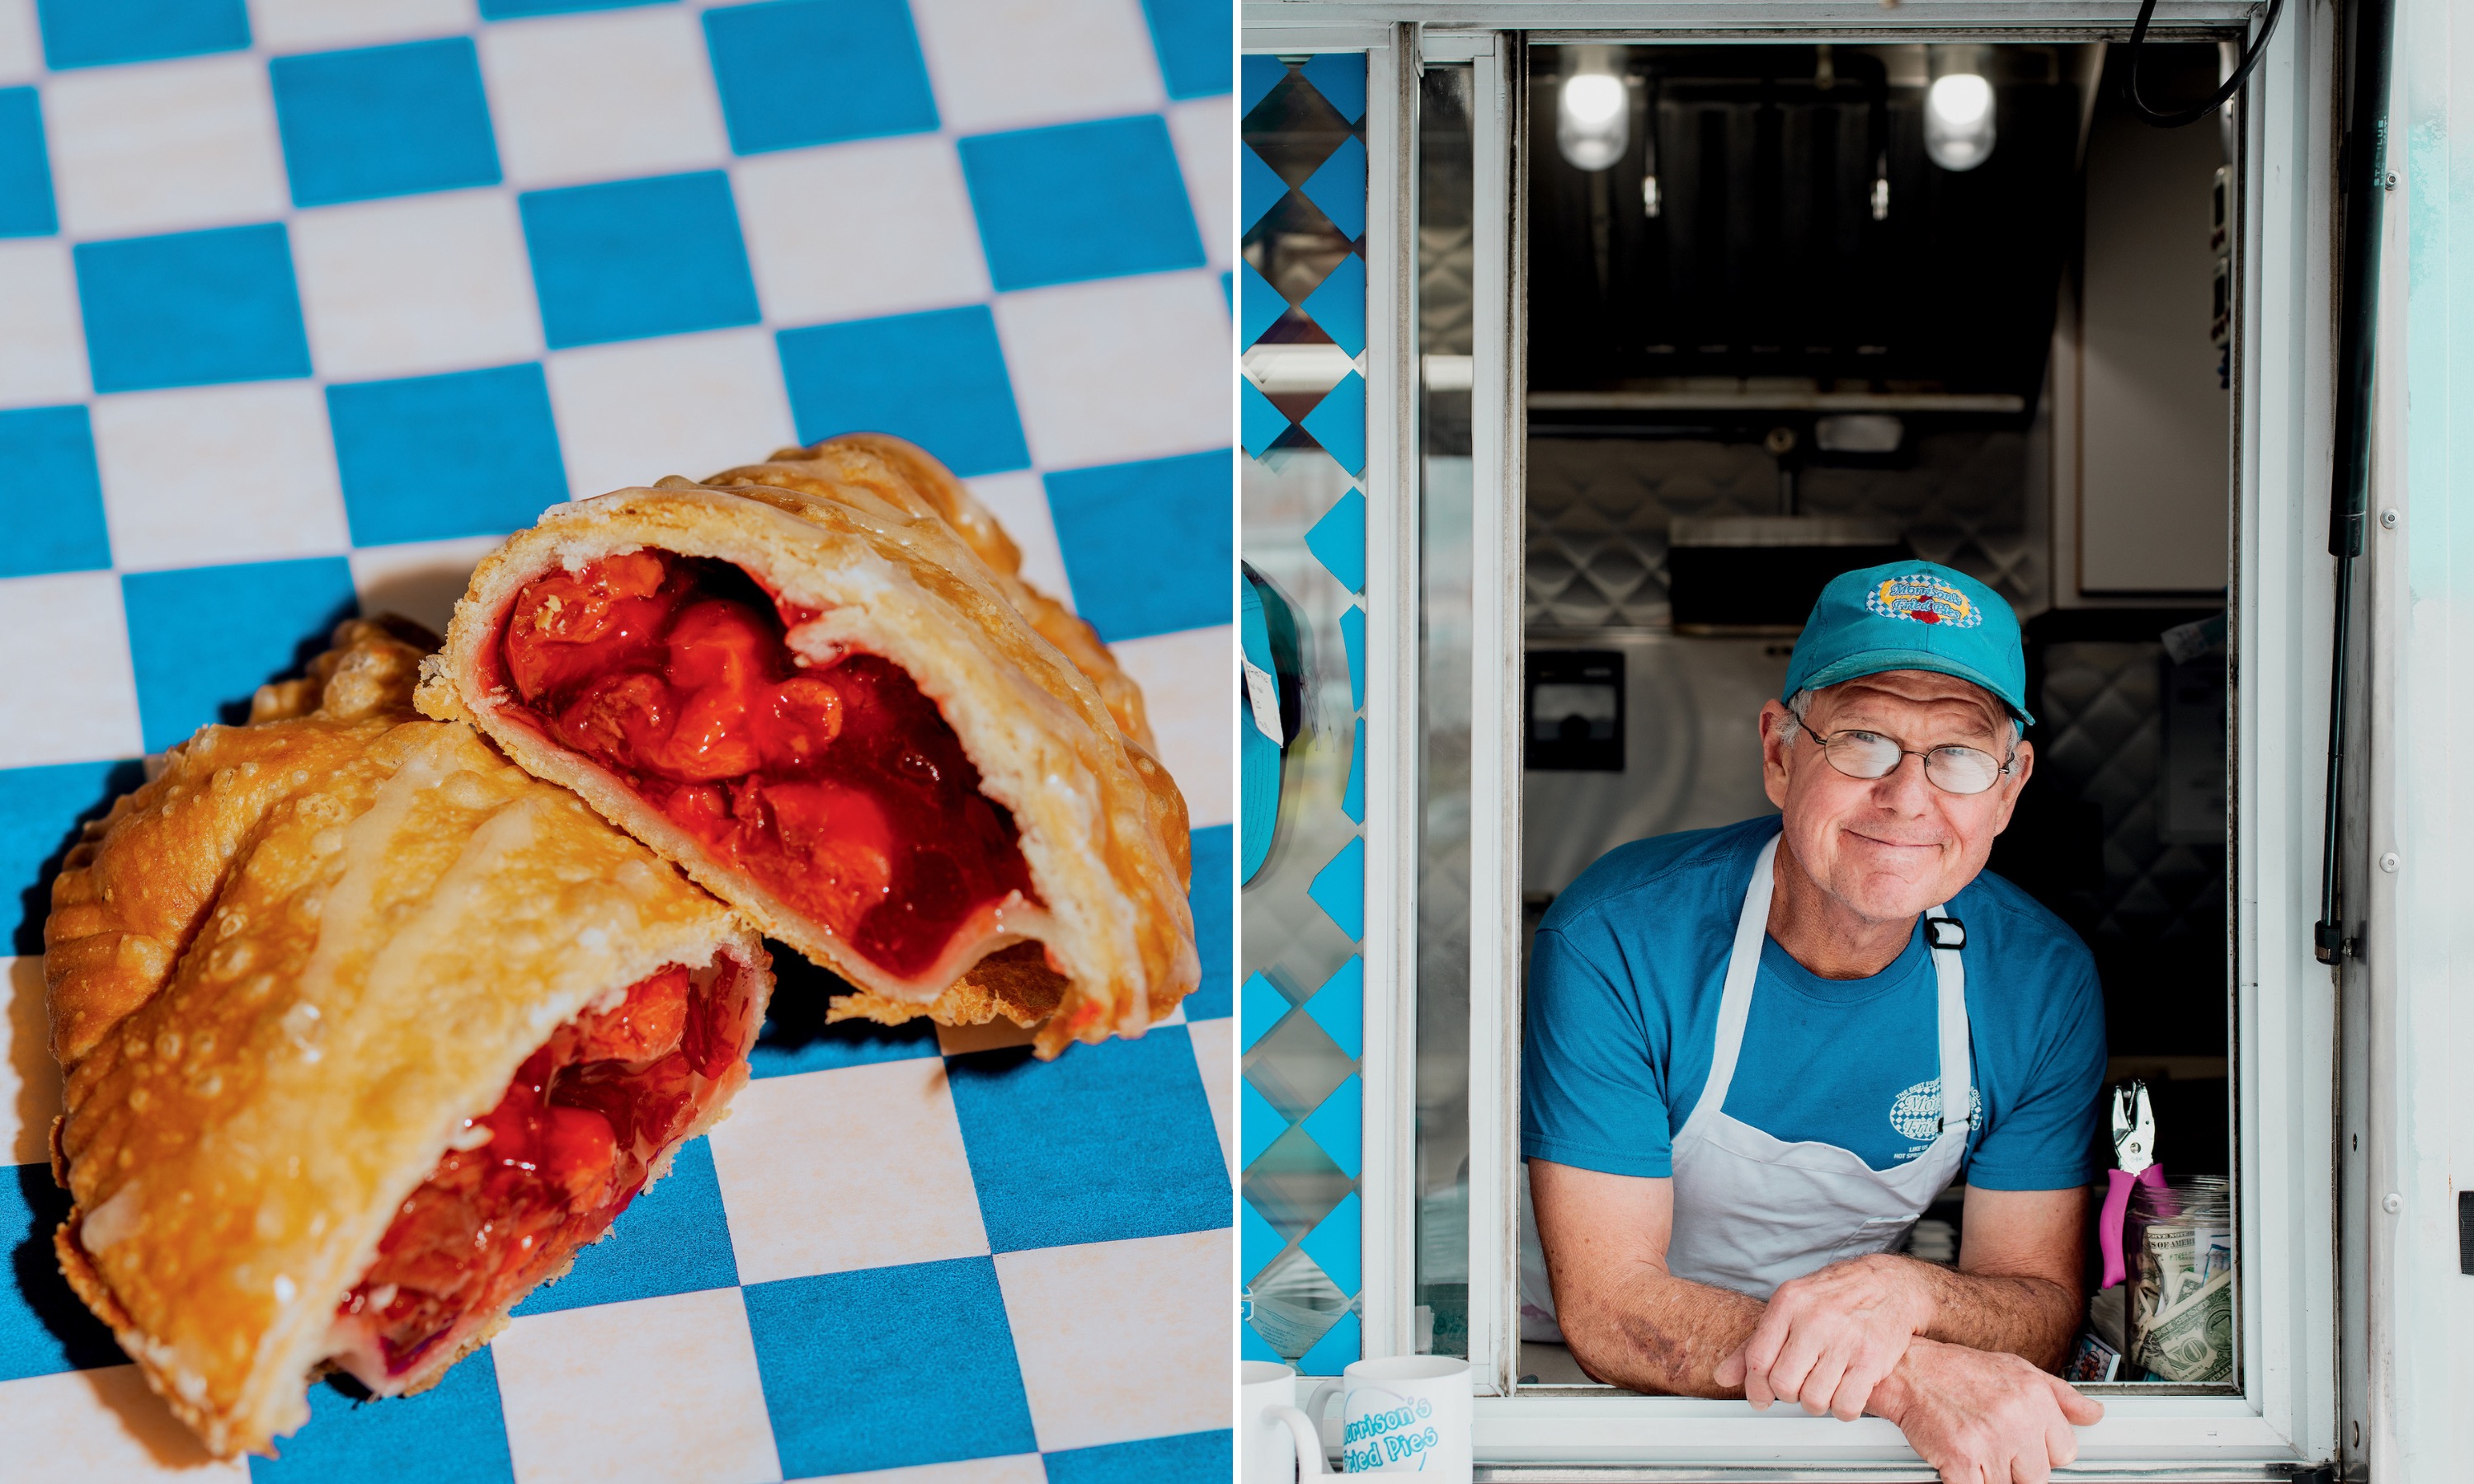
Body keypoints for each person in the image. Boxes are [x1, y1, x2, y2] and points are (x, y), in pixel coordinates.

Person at [1522, 561, 2109, 1484]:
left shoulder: (2040, 981)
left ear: (2010, 785)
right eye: (1864, 740)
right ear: (1779, 752)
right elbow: (1610, 1310)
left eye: (1957, 754)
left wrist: (1907, 1290)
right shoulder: (1621, 936)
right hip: (1569, 1387)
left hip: (1831, 1408)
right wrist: (1907, 1370)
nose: (1908, 797)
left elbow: (2040, 1305)